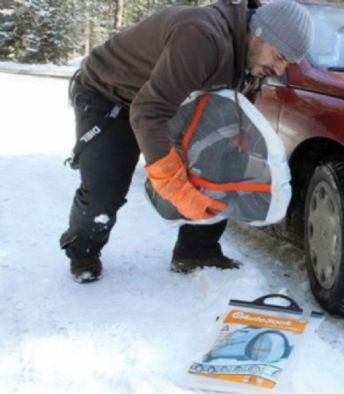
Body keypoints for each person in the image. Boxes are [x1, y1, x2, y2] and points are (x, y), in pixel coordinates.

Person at [60, 0, 313, 283]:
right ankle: (83, 252)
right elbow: (148, 112)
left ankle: (196, 252)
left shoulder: (251, 60)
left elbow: (228, 123)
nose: (279, 69)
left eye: (287, 64)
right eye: (278, 56)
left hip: (166, 101)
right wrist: (173, 184)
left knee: (219, 163)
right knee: (106, 188)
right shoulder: (201, 36)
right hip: (110, 96)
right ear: (258, 33)